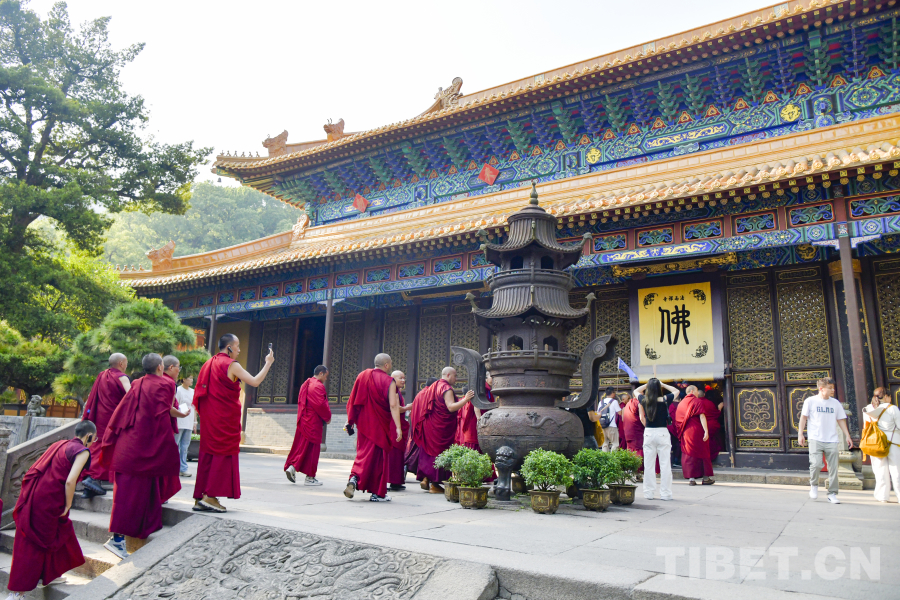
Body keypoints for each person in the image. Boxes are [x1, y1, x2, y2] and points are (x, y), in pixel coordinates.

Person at [98, 353, 189, 559]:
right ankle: (117, 540)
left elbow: (135, 410)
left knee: (129, 494)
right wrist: (181, 414)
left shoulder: (137, 383)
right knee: (132, 495)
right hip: (143, 447)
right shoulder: (167, 384)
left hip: (127, 445)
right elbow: (164, 411)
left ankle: (136, 529)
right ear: (160, 367)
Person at [4, 421, 96, 600]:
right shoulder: (82, 451)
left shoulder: (59, 444)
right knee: (33, 546)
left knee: (62, 532)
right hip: (49, 502)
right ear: (89, 436)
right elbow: (70, 481)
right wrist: (68, 504)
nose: (94, 442)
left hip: (36, 496)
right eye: (95, 438)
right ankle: (17, 593)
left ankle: (50, 574)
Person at [192, 334, 274, 513]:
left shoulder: (208, 364)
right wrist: (268, 363)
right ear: (229, 347)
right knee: (222, 455)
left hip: (210, 419)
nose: (239, 350)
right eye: (237, 346)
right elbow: (255, 381)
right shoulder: (231, 365)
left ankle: (200, 497)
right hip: (224, 420)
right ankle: (211, 496)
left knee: (208, 455)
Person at [343, 354, 403, 502]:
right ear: (387, 365)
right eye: (390, 364)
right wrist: (398, 427)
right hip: (380, 425)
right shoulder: (389, 381)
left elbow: (352, 399)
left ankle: (355, 477)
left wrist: (350, 420)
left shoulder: (362, 375)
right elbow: (393, 405)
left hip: (364, 424)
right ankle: (378, 493)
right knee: (379, 459)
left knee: (364, 454)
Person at [408, 367, 474, 493]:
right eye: (455, 375)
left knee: (428, 453)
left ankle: (426, 478)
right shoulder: (446, 388)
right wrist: (466, 399)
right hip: (441, 429)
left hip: (430, 426)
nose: (456, 379)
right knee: (438, 453)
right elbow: (451, 407)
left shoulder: (434, 386)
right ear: (448, 375)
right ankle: (435, 484)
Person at [80, 353, 131, 497]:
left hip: (99, 417)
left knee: (97, 446)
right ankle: (94, 478)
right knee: (109, 447)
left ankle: (89, 483)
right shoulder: (122, 377)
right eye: (126, 362)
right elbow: (131, 395)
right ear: (121, 363)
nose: (126, 365)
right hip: (114, 418)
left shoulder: (102, 375)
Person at [798, 377, 853, 504]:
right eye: (830, 388)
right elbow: (803, 418)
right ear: (821, 389)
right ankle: (814, 485)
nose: (833, 390)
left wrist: (847, 435)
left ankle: (832, 493)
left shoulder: (835, 403)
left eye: (833, 388)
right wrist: (800, 434)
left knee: (833, 467)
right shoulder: (810, 401)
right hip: (815, 438)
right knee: (816, 464)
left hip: (832, 439)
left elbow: (840, 420)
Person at [633, 378, 681, 501]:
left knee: (649, 465)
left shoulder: (644, 400)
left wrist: (647, 384)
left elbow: (636, 391)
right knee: (665, 465)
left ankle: (648, 493)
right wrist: (662, 384)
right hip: (662, 432)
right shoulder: (665, 399)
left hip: (649, 433)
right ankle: (666, 493)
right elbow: (676, 391)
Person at [284, 365, 331, 486]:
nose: (326, 379)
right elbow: (321, 405)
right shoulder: (317, 386)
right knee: (312, 450)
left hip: (304, 420)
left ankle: (292, 467)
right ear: (321, 373)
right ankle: (309, 478)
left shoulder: (307, 383)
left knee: (302, 447)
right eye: (326, 376)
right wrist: (328, 417)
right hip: (313, 422)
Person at [863, 387, 900, 504]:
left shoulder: (868, 409)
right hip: (893, 442)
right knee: (896, 470)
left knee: (880, 470)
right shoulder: (892, 408)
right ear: (886, 396)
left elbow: (866, 426)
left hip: (875, 442)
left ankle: (882, 496)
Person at [674, 385, 717, 485]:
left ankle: (691, 479)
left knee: (688, 454)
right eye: (697, 391)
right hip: (697, 430)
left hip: (686, 432)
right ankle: (705, 478)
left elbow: (677, 420)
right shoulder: (697, 401)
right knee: (703, 452)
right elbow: (702, 416)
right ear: (692, 391)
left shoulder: (681, 404)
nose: (698, 393)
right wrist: (706, 430)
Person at [387, 370, 413, 492]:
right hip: (394, 424)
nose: (403, 380)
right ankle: (392, 481)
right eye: (400, 378)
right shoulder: (394, 392)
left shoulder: (397, 391)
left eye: (404, 378)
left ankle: (396, 481)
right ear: (393, 379)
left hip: (397, 423)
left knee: (398, 454)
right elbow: (396, 409)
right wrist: (408, 407)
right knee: (394, 453)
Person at [174, 374, 195, 477]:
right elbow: (175, 405)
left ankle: (183, 468)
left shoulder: (193, 391)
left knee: (185, 446)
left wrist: (195, 422)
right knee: (176, 445)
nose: (191, 380)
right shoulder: (178, 390)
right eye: (189, 378)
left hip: (189, 422)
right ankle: (174, 467)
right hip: (180, 421)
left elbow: (194, 407)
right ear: (183, 379)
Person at [598, 387, 622, 452]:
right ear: (612, 393)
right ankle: (613, 458)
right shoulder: (614, 402)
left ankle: (604, 457)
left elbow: (598, 413)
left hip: (602, 426)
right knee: (615, 444)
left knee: (604, 444)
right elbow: (620, 413)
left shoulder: (601, 402)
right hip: (612, 426)